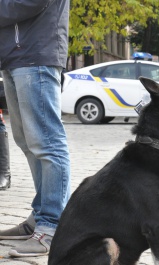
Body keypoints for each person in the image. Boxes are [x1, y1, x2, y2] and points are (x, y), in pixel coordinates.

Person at [0, 0, 71, 257]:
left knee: (47, 143)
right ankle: (40, 217)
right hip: (16, 56)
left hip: (35, 54)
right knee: (28, 142)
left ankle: (53, 225)